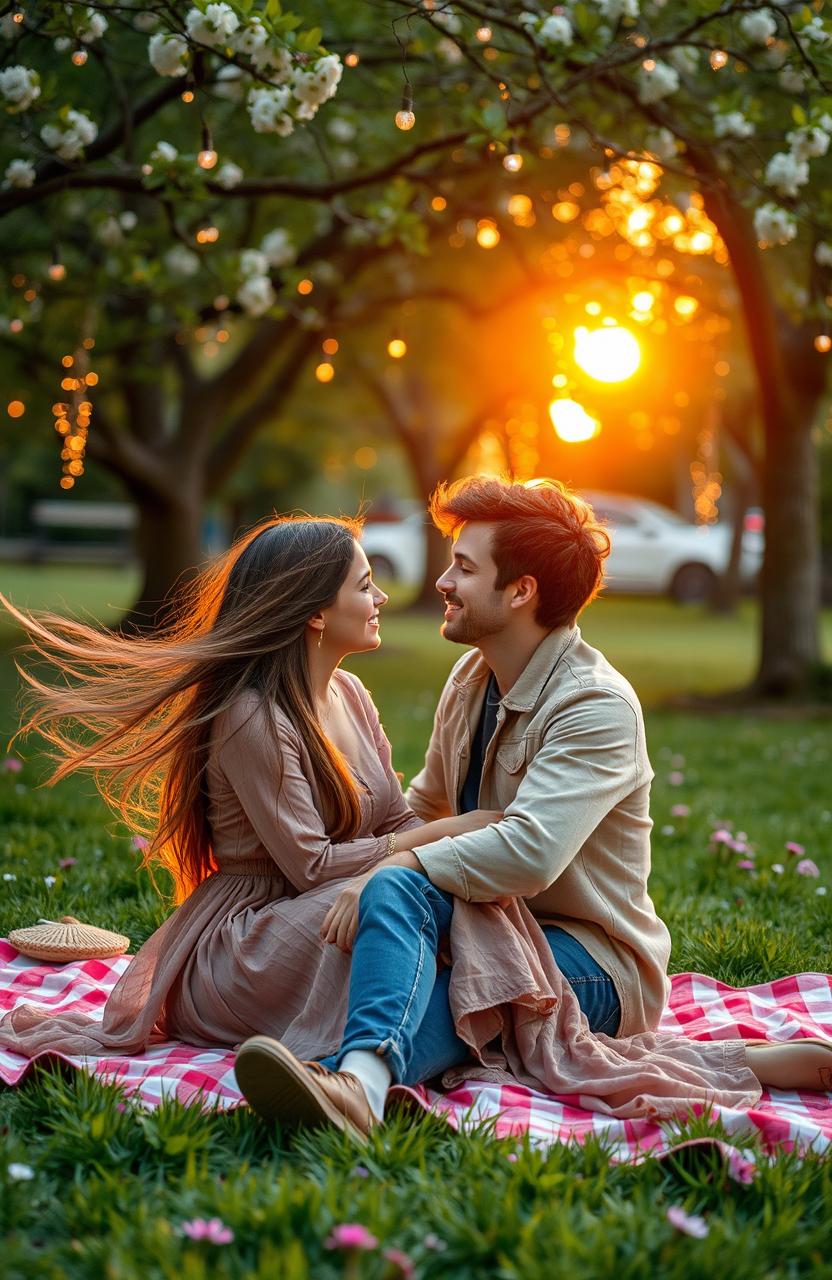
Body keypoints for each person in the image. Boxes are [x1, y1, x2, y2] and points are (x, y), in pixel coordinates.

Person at [234, 478, 832, 1141]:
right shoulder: (472, 678)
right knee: (394, 932)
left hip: (591, 957)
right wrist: (360, 860)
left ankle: (355, 1086)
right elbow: (426, 808)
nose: (442, 581)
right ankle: (354, 1082)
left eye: (464, 567)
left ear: (520, 591)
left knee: (434, 960)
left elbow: (529, 854)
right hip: (484, 927)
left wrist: (394, 867)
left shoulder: (594, 705)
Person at [0, 516, 498, 1073]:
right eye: (363, 585)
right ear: (314, 611)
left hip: (320, 909)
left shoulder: (350, 694)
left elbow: (392, 822)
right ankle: (381, 1060)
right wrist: (445, 833)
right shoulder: (251, 716)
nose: (380, 597)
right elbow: (310, 866)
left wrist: (440, 848)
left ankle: (415, 1047)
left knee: (448, 895)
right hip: (247, 945)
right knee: (407, 898)